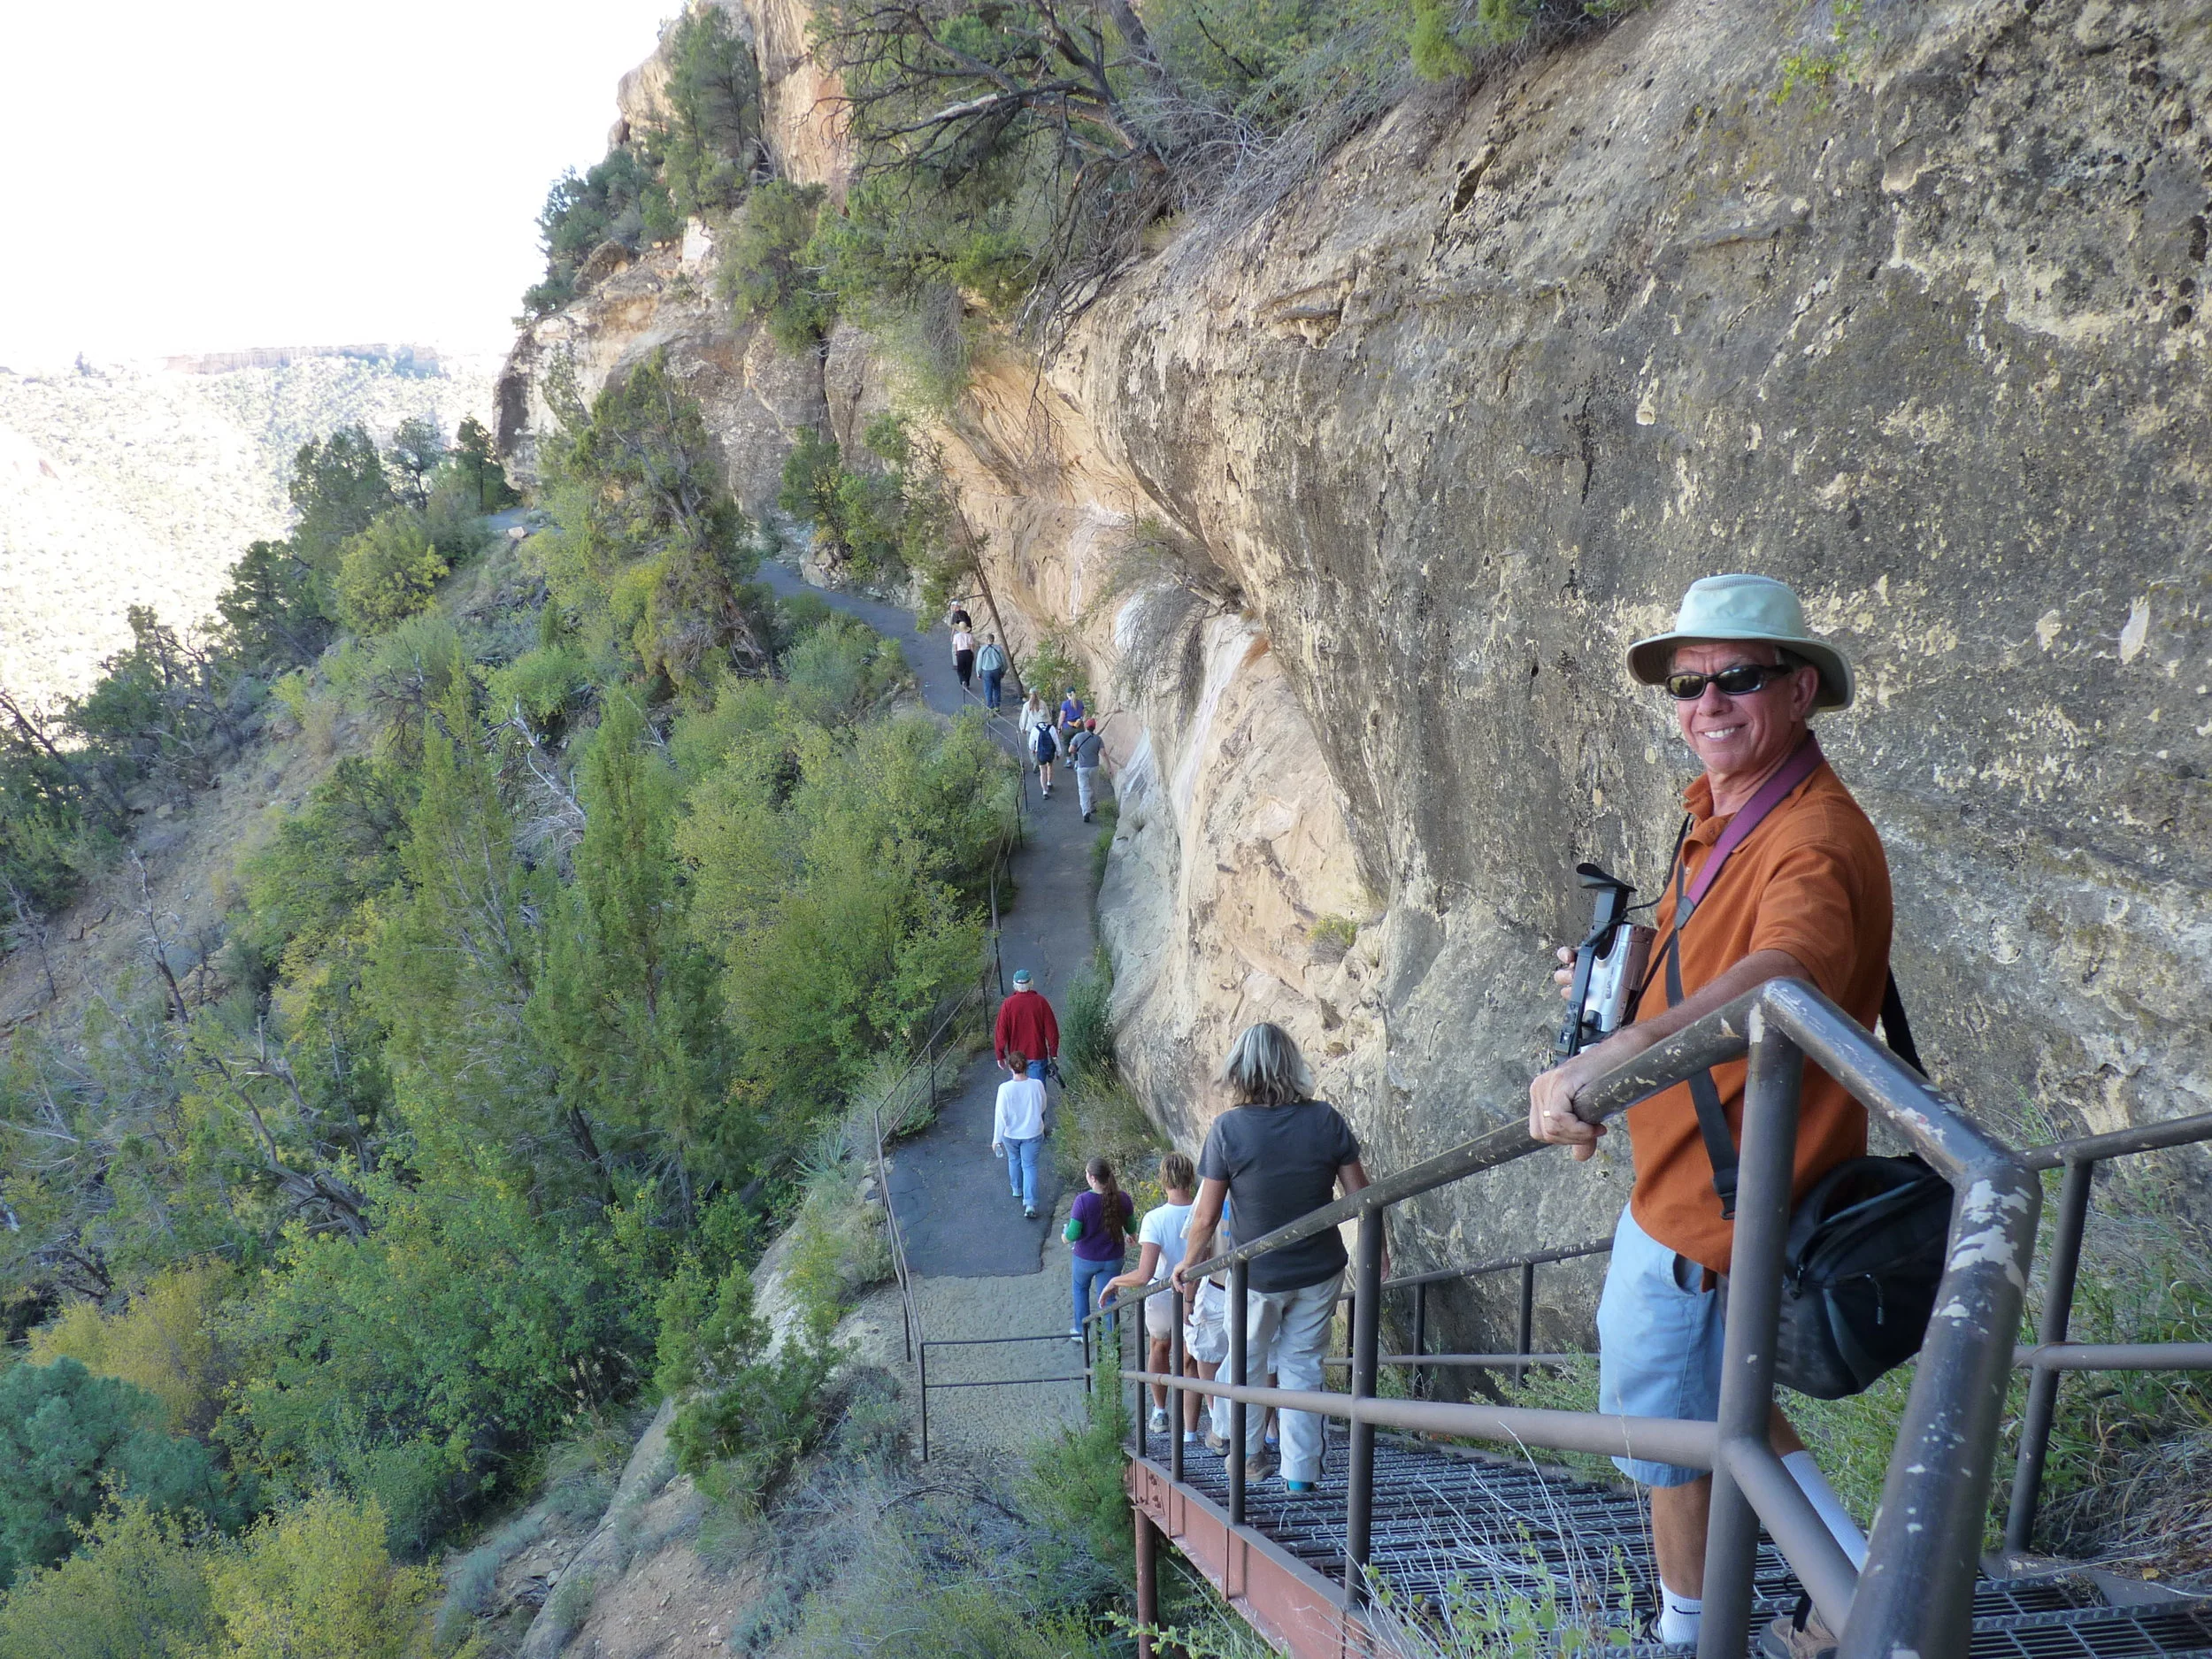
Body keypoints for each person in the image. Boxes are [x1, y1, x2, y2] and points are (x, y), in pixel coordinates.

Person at [1525, 574, 1889, 1659]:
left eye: (1737, 677)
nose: (1706, 702)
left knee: (1669, 1434)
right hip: (1699, 1166)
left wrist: (1628, 1047)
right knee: (1723, 1413)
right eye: (1687, 685)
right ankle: (1863, 1588)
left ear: (1801, 688)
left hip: (1713, 1197)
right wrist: (1625, 984)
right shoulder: (1726, 808)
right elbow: (1729, 957)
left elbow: (1790, 965)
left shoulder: (1811, 836)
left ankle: (1686, 1634)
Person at [1174, 1022, 1371, 1494]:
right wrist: (1376, 1251)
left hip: (1256, 1273)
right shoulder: (1325, 1119)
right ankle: (1300, 1476)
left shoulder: (1228, 1129)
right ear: (1292, 1066)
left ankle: (1242, 1452)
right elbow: (1362, 1196)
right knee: (1303, 1368)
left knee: (1246, 1360)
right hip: (1320, 1268)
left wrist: (1188, 1264)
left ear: (1239, 1070)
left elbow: (1206, 1215)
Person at [1103, 1153, 1197, 1437]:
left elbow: (1143, 1275)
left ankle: (1160, 1412)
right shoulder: (1205, 1213)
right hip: (1197, 1292)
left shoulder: (1154, 1219)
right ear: (1191, 1179)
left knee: (1159, 1347)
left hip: (1162, 1291)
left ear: (1163, 1180)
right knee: (1190, 1358)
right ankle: (1190, 1429)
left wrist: (1115, 1281)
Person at [1066, 1156, 1133, 1339]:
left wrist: (1065, 1237)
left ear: (1093, 1178)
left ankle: (1082, 1332)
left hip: (1086, 1258)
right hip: (1113, 1258)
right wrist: (1131, 1236)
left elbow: (1073, 1233)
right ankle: (1111, 1343)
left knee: (1080, 1289)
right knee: (1108, 1298)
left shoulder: (1082, 1201)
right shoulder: (1123, 1198)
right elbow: (1131, 1227)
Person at [991, 1049, 1048, 1218]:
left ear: (1010, 1067)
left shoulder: (1004, 1089)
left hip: (1011, 1134)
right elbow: (1043, 1105)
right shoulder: (1037, 1084)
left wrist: (996, 1139)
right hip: (1033, 1132)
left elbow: (1000, 1115)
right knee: (1029, 1165)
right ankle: (1030, 1204)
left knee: (1014, 1160)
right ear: (1027, 1066)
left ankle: (1017, 1189)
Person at [994, 969, 1058, 1078]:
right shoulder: (1040, 1002)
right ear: (1031, 983)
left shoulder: (1007, 1005)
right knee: (1037, 1092)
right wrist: (1053, 1052)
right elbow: (1052, 1030)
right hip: (1037, 1053)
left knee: (1019, 1091)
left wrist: (1000, 1055)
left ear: (1014, 985)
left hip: (1016, 1057)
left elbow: (1001, 1032)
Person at [1068, 716, 1105, 823]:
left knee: (1084, 789)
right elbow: (1103, 753)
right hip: (1094, 766)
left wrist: (1079, 752)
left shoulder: (1078, 736)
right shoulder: (1098, 739)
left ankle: (1086, 811)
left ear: (1086, 726)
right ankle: (1093, 806)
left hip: (1082, 767)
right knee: (1094, 787)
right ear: (1094, 727)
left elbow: (1071, 750)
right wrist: (1110, 767)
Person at [977, 633, 1008, 711]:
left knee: (988, 689)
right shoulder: (998, 648)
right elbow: (1003, 661)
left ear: (986, 640)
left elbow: (979, 662)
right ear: (993, 640)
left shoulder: (982, 649)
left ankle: (990, 707)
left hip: (986, 671)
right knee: (997, 687)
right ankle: (997, 706)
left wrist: (978, 672)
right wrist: (1003, 670)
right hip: (997, 670)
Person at [951, 620, 976, 693]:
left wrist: (956, 653)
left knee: (960, 669)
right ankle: (967, 684)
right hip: (968, 652)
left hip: (960, 653)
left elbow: (955, 646)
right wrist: (973, 654)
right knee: (968, 669)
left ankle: (963, 680)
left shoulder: (956, 636)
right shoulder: (969, 636)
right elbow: (971, 646)